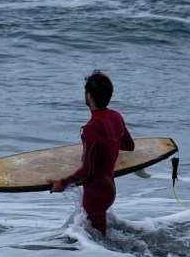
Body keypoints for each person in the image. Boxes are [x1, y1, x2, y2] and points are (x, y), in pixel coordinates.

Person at [48, 70, 135, 236]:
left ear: (89, 96)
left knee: (96, 246)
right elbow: (129, 146)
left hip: (96, 194)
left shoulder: (90, 129)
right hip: (109, 189)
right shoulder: (116, 117)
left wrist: (63, 182)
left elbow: (87, 171)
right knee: (97, 240)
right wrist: (107, 149)